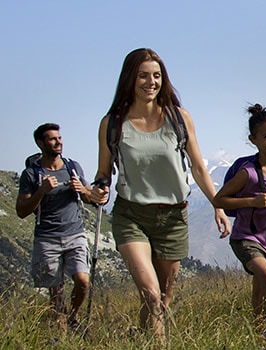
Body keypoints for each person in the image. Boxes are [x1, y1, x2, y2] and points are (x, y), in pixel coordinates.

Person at [89, 48, 230, 339]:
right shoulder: (113, 123)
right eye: (143, 76)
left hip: (173, 218)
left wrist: (218, 205)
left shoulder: (179, 118)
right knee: (152, 295)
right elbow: (104, 172)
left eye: (156, 75)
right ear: (130, 79)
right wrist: (100, 188)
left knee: (162, 302)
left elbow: (199, 167)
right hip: (132, 217)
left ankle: (141, 340)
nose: (150, 82)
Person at [212, 103, 266, 343]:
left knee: (261, 290)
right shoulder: (248, 172)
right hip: (245, 238)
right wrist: (252, 200)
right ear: (254, 140)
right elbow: (219, 199)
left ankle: (257, 338)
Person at [16, 123, 100, 333]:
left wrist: (83, 191)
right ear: (40, 143)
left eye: (59, 138)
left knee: (82, 280)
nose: (58, 142)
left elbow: (91, 198)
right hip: (47, 238)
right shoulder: (31, 174)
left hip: (75, 234)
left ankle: (72, 317)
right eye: (52, 139)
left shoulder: (73, 167)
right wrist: (42, 191)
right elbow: (22, 210)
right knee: (56, 290)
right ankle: (61, 328)